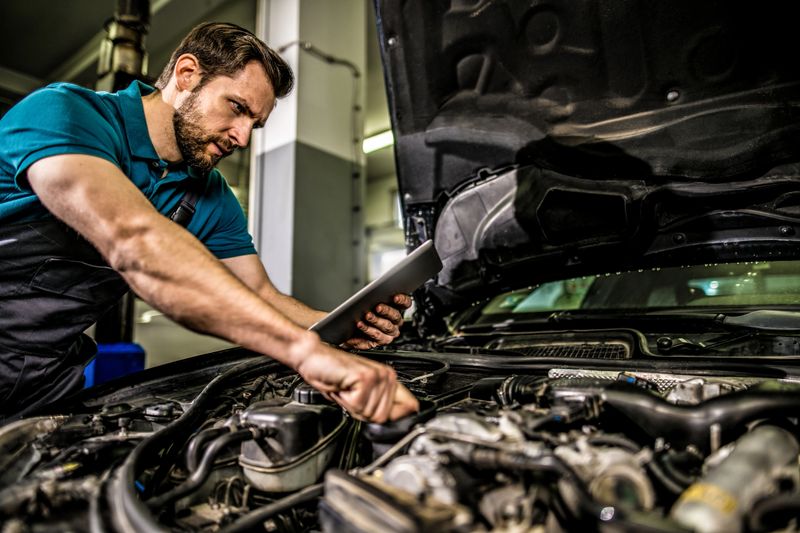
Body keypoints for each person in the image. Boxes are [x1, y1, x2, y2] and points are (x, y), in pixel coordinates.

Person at [0, 22, 419, 423]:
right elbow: (132, 238)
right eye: (237, 108)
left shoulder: (211, 195)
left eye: (254, 123)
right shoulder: (65, 113)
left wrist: (337, 329)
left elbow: (259, 293)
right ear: (186, 74)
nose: (243, 137)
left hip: (47, 380)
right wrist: (306, 352)